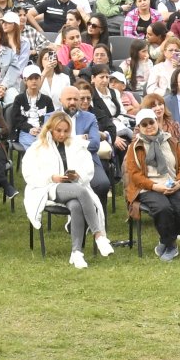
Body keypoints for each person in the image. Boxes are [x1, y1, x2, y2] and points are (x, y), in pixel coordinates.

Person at [20, 111, 113, 269]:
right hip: (46, 188)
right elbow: (28, 173)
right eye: (58, 131)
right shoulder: (37, 147)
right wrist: (52, 177)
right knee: (81, 192)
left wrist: (78, 176)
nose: (62, 134)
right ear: (50, 129)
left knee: (76, 205)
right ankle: (98, 235)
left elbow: (88, 170)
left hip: (72, 186)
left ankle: (76, 253)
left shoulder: (76, 144)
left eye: (65, 131)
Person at [122, 108, 180, 260]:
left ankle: (166, 240)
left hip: (171, 183)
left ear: (157, 122)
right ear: (139, 128)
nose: (149, 126)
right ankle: (171, 245)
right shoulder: (135, 147)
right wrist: (154, 186)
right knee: (163, 208)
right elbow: (134, 175)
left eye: (151, 122)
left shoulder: (171, 142)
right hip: (147, 187)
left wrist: (179, 183)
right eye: (144, 124)